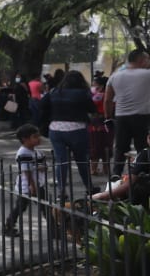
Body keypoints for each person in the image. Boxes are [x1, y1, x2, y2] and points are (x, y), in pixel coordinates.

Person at [40, 70, 97, 199]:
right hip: (77, 129)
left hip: (56, 129)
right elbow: (92, 109)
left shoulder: (54, 92)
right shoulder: (82, 93)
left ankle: (61, 191)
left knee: (61, 161)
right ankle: (89, 187)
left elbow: (42, 105)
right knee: (82, 160)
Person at [104, 50, 150, 178]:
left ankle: (116, 174)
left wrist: (108, 117)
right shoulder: (147, 75)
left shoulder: (115, 76)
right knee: (143, 147)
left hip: (121, 117)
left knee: (120, 147)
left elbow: (107, 100)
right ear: (142, 60)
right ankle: (142, 172)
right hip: (143, 117)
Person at [3, 124, 46, 237]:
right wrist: (32, 186)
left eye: (38, 136)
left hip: (38, 184)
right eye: (35, 137)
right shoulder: (23, 153)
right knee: (20, 207)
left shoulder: (37, 152)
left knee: (45, 207)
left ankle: (54, 228)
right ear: (25, 139)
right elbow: (26, 171)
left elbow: (41, 166)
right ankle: (9, 226)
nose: (39, 139)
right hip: (27, 186)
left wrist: (42, 168)